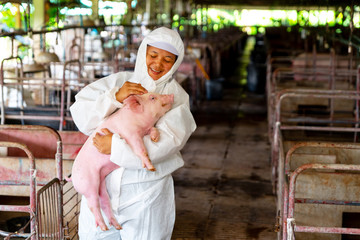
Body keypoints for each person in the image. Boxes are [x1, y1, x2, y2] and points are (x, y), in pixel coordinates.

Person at [69, 26, 197, 240]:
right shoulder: (119, 81)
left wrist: (116, 147)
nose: (158, 63)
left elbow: (168, 143)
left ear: (175, 63)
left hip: (145, 191)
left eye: (167, 59)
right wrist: (115, 97)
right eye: (153, 55)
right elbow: (82, 114)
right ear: (143, 53)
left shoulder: (177, 98)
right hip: (102, 187)